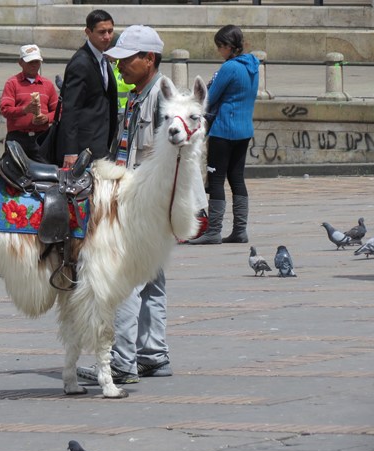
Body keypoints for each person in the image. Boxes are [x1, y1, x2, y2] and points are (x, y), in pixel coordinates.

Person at [77, 25, 205, 384]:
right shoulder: (140, 95)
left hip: (144, 204)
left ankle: (122, 361)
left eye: (127, 60)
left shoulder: (165, 101)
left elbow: (179, 157)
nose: (120, 67)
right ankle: (153, 354)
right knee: (152, 277)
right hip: (135, 199)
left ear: (149, 59)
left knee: (125, 277)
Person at [188, 25, 259, 245]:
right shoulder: (253, 65)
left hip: (224, 130)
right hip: (244, 129)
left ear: (228, 46)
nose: (219, 51)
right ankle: (240, 230)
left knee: (216, 179)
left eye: (220, 46)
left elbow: (210, 96)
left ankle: (213, 231)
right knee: (237, 178)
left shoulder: (229, 67)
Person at [56, 9, 117, 167]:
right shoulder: (81, 63)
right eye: (102, 32)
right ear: (88, 32)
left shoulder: (102, 58)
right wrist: (70, 151)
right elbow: (71, 108)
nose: (107, 36)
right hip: (83, 149)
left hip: (101, 142)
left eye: (110, 31)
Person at [0, 44, 58, 161]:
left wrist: (47, 118)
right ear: (20, 63)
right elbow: (5, 109)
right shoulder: (12, 83)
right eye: (30, 62)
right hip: (17, 138)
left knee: (45, 168)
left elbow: (59, 111)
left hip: (41, 138)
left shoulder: (48, 85)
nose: (34, 65)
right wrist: (24, 110)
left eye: (37, 61)